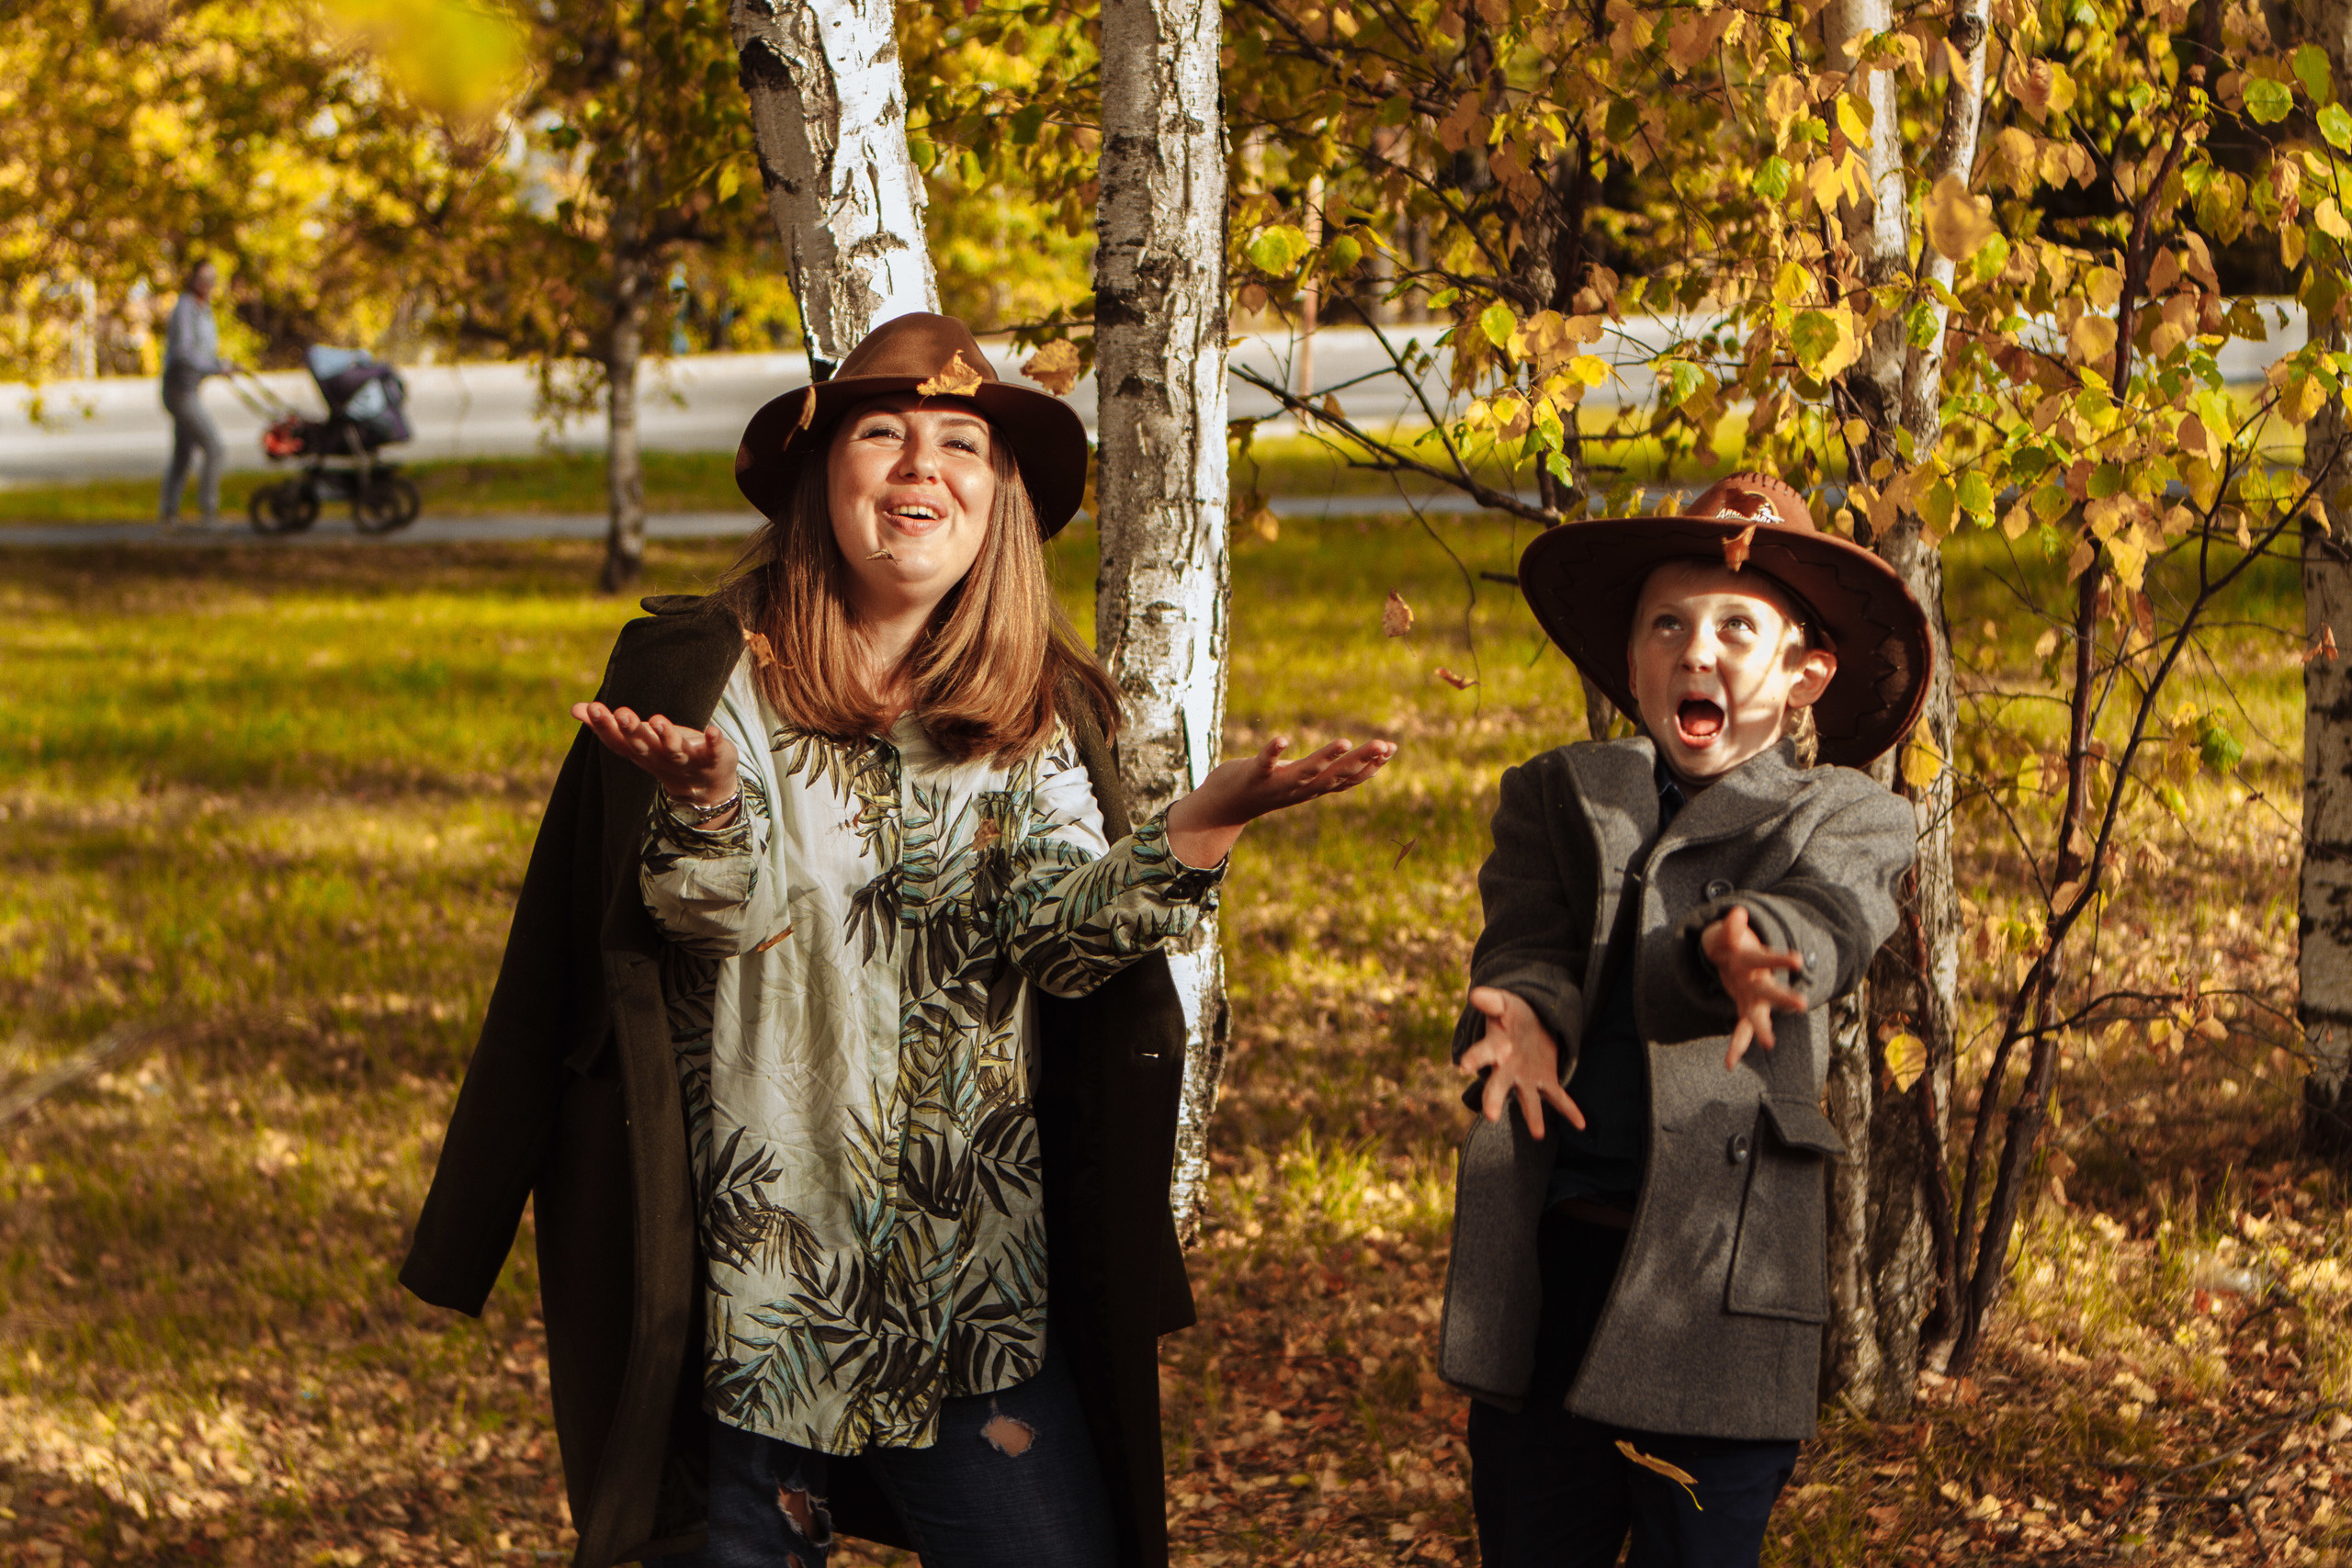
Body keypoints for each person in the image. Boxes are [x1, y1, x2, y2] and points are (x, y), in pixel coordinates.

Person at [400, 312, 1395, 1568]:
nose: (922, 466)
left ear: (999, 499)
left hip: (966, 1288)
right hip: (750, 1292)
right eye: (883, 434)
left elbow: (1058, 935)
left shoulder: (1030, 709)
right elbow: (713, 916)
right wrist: (706, 803)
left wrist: (1195, 830)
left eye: (961, 444)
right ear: (825, 478)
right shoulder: (712, 678)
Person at [1437, 472, 1932, 1568]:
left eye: (1735, 628)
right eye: (1667, 624)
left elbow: (1831, 915)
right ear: (1630, 659)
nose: (1694, 650)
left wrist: (1750, 942)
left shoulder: (1849, 812)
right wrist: (1518, 1011)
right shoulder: (1559, 795)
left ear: (1804, 675)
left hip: (1722, 1278)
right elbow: (1525, 937)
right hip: (1557, 1264)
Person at [159, 259, 237, 527]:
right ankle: (209, 513)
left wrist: (223, 364)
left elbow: (204, 351)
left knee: (183, 452)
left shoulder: (204, 310)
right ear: (192, 278)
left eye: (212, 279)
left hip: (192, 388)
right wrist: (216, 368)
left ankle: (169, 513)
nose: (208, 284)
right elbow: (183, 354)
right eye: (203, 278)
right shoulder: (184, 309)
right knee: (214, 447)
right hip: (179, 391)